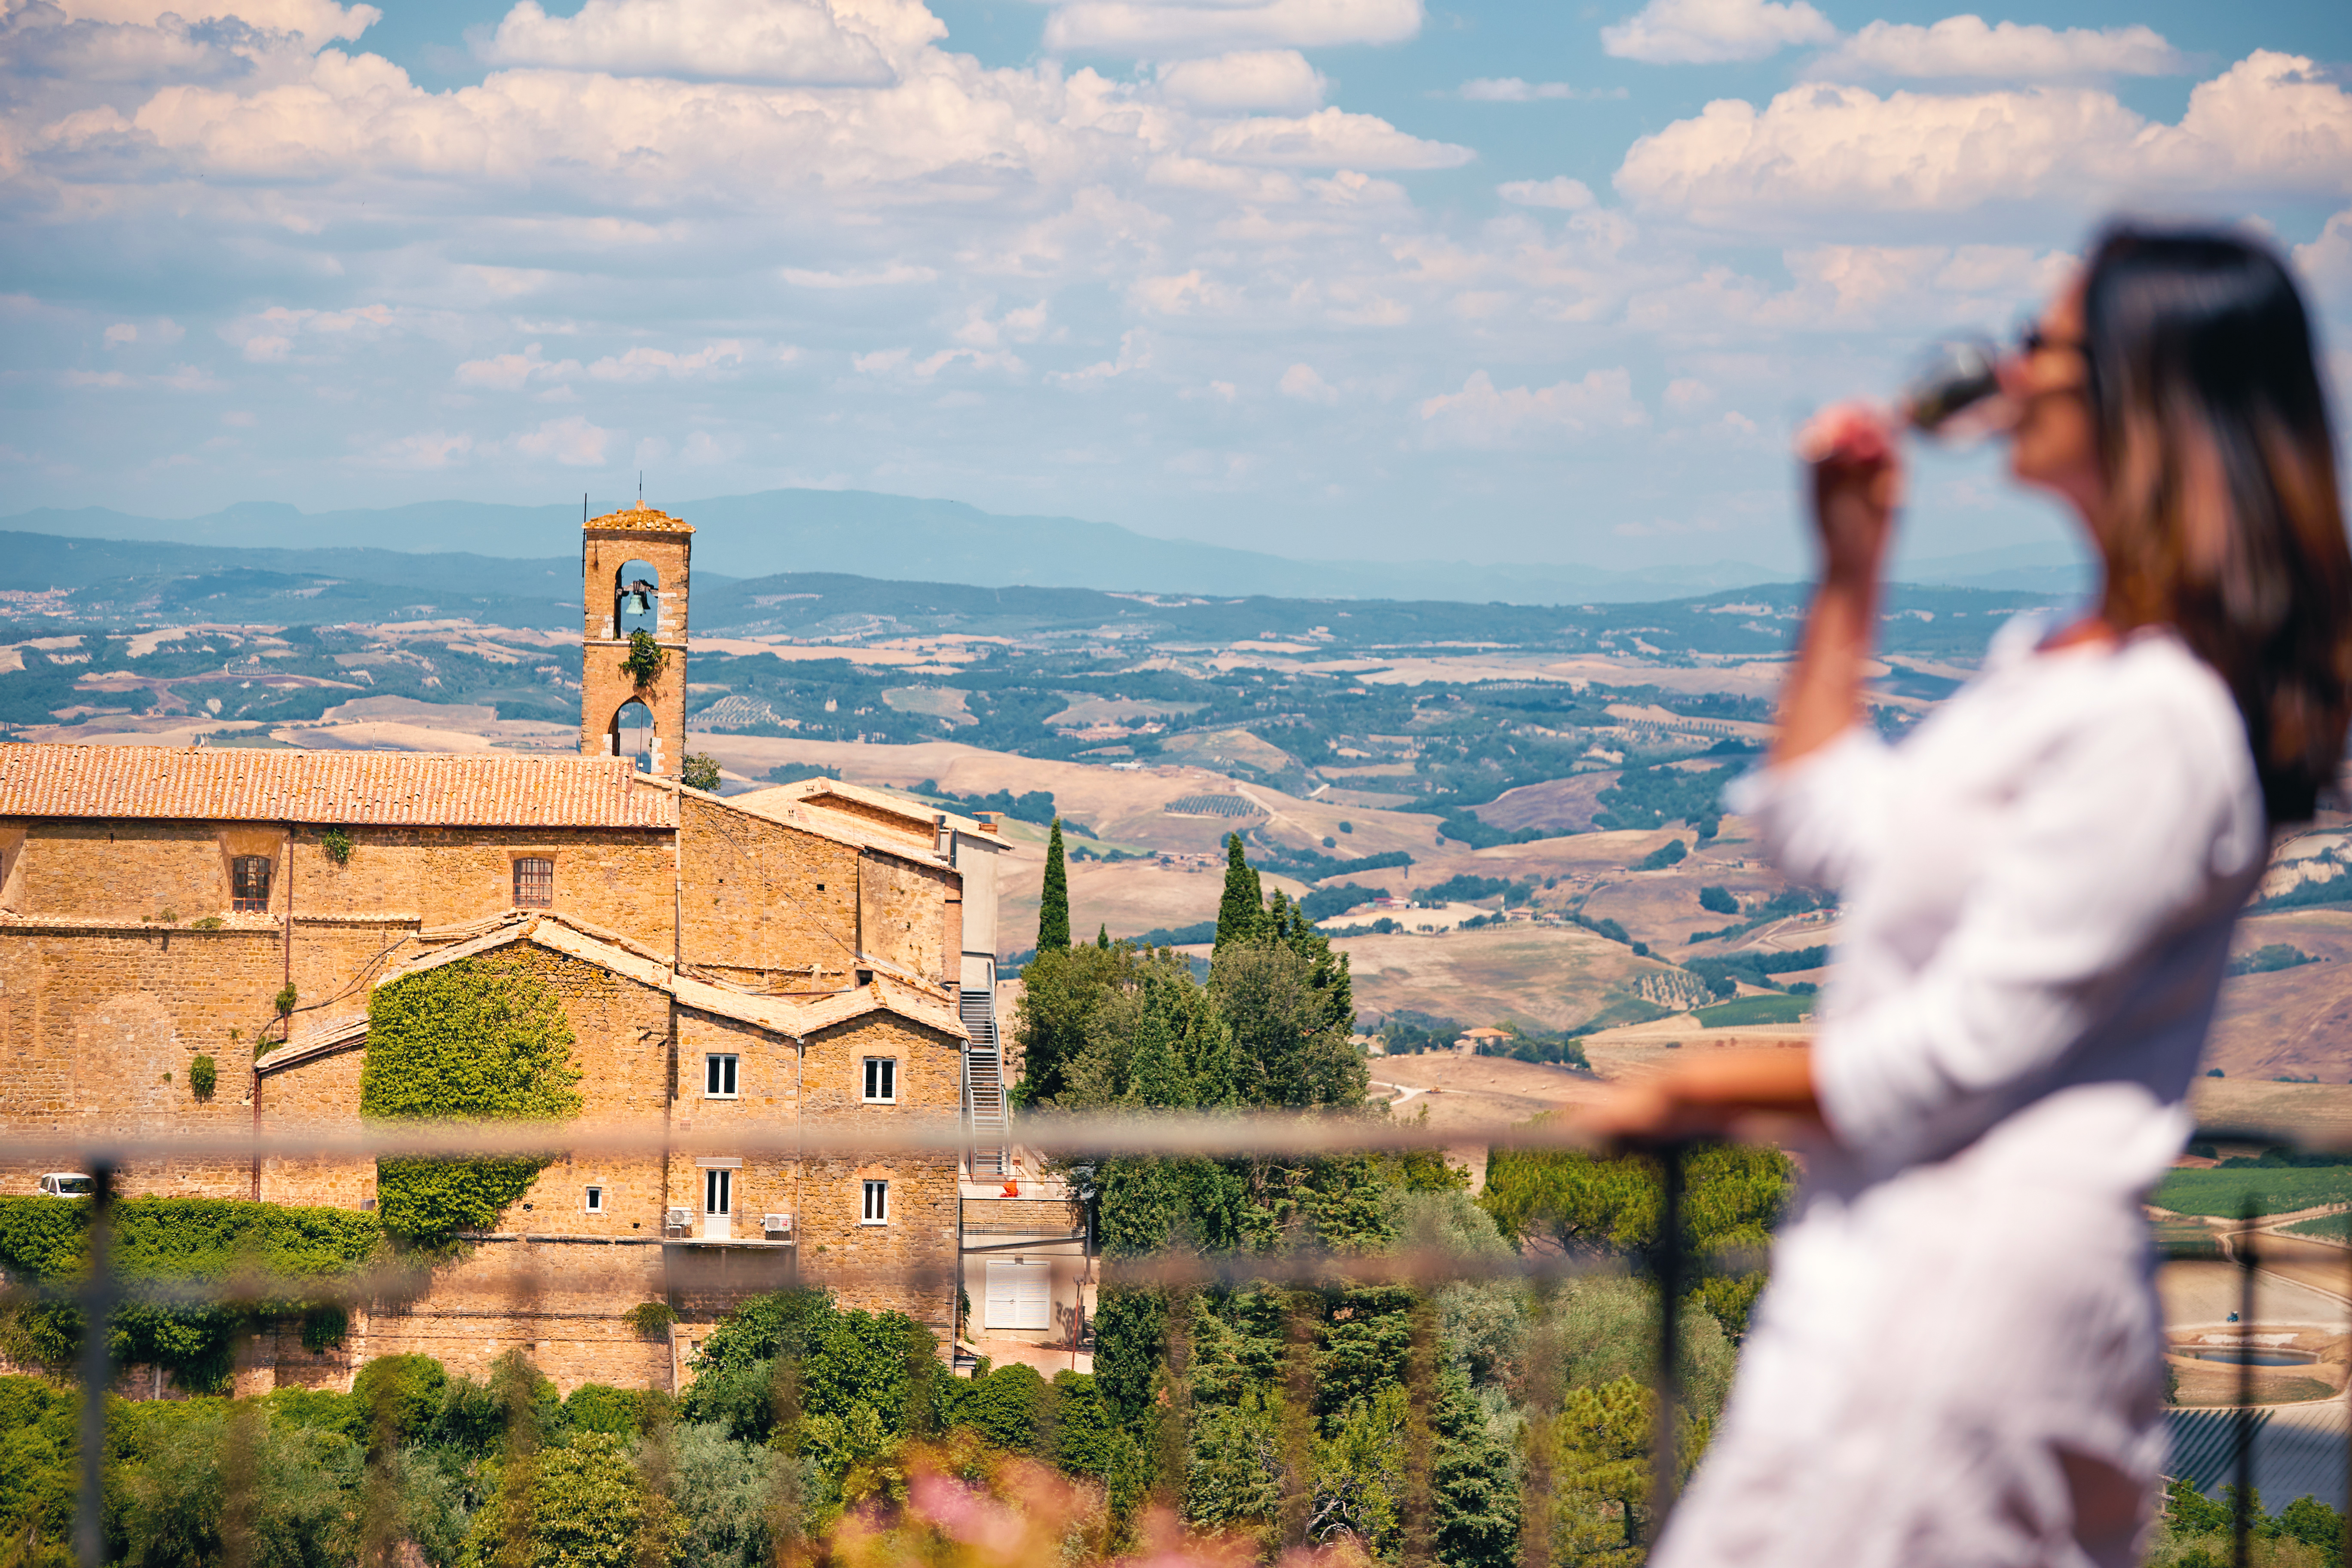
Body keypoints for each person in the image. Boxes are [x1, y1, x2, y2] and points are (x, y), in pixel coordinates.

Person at [1590, 226, 2352, 1565]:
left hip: (1972, 1311)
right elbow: (1820, 822)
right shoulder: (2058, 668)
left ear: (2142, 396)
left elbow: (1961, 1051)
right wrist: (1849, 569)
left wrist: (1694, 1091)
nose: (2008, 368)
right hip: (1892, 1283)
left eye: (2044, 342)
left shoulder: (2160, 721)